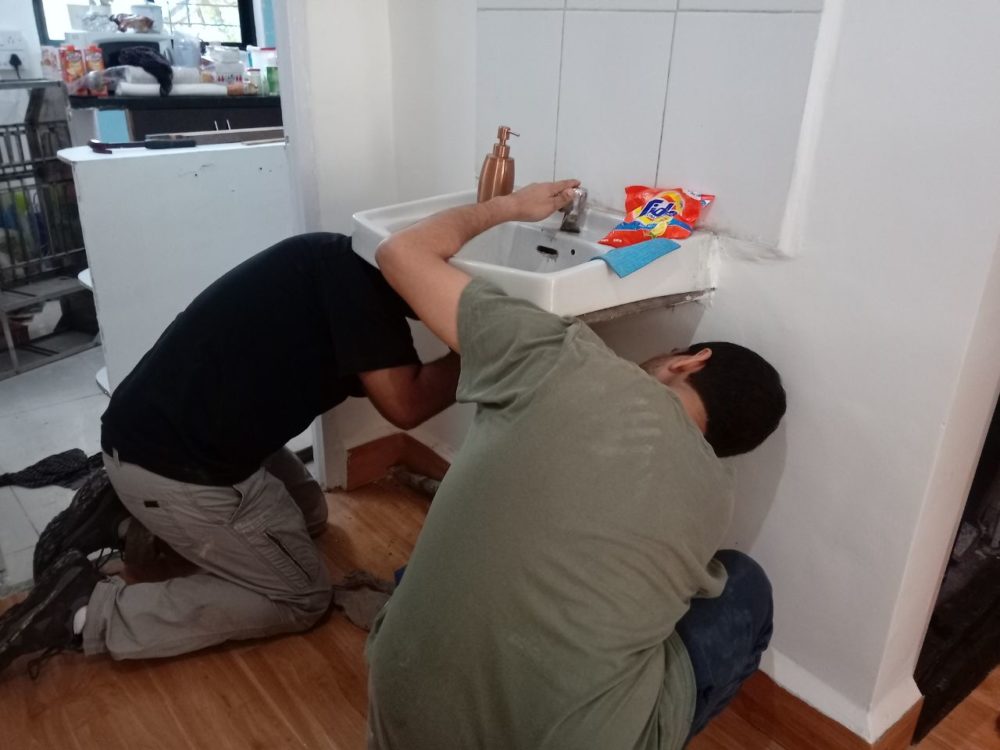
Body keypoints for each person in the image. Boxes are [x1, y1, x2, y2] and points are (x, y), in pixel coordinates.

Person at [365, 181, 786, 749]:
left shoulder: (561, 357)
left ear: (692, 361)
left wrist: (508, 207)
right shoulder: (715, 496)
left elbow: (400, 253)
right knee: (741, 584)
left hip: (400, 709)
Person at [0, 232, 460, 674]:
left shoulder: (333, 256)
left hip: (152, 433)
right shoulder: (364, 300)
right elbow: (407, 403)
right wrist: (479, 349)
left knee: (310, 515)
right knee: (301, 595)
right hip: (176, 466)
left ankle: (131, 520)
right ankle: (81, 612)